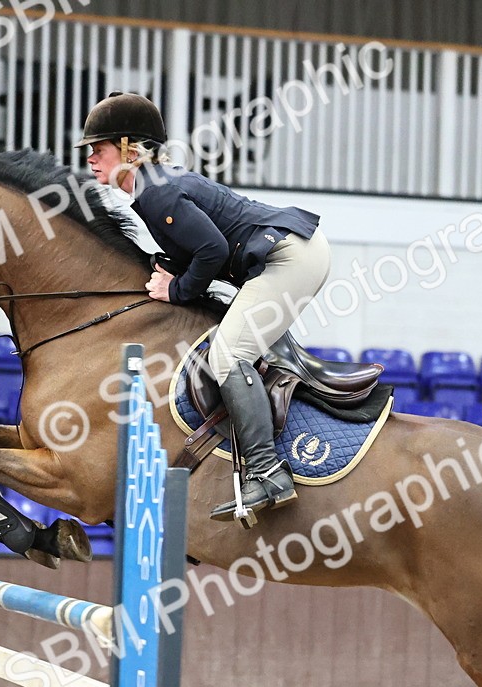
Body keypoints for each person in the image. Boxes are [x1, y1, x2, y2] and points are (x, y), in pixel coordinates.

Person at [79, 92, 332, 524]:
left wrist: (176, 291)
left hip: (288, 258)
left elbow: (212, 251)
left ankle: (268, 472)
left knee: (229, 355)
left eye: (97, 149)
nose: (89, 158)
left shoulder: (155, 192)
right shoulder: (151, 189)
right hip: (285, 251)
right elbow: (198, 248)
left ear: (127, 148)